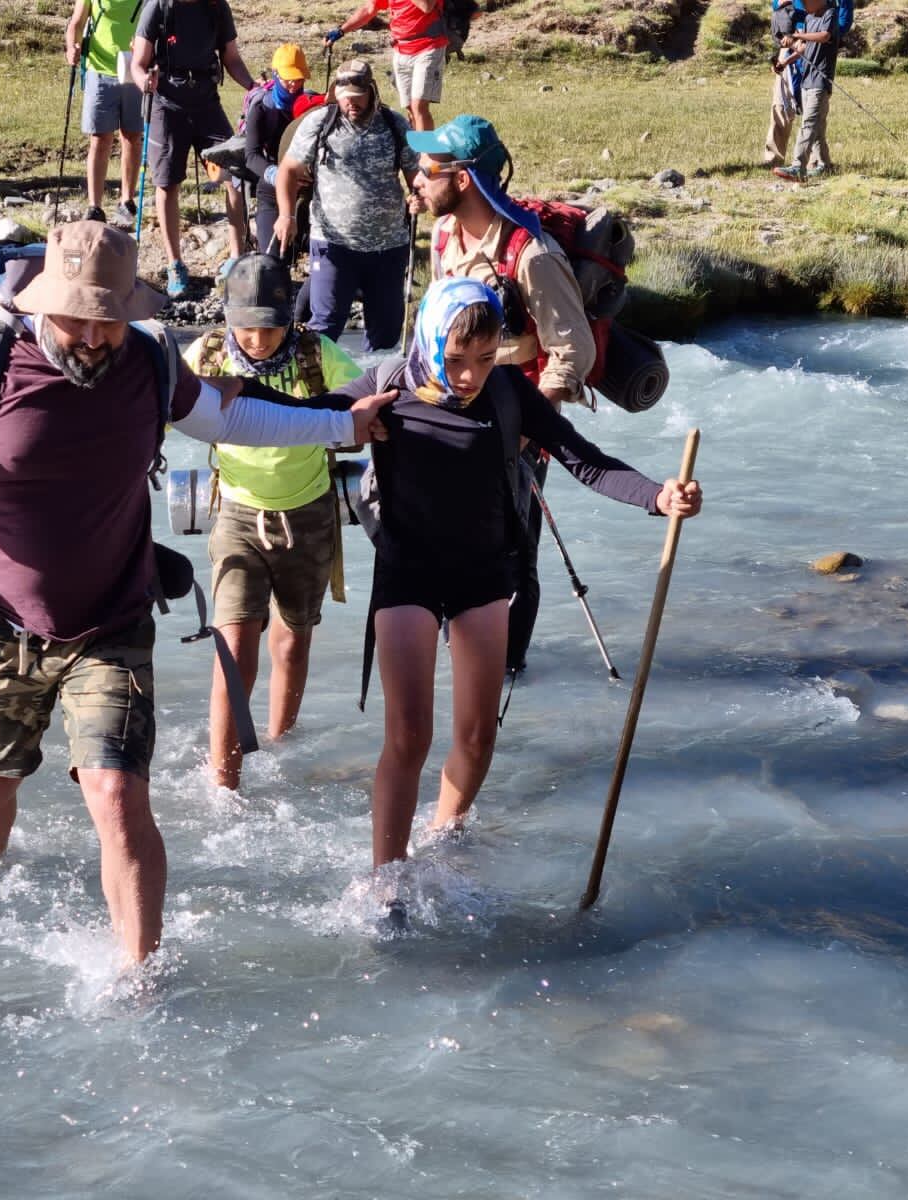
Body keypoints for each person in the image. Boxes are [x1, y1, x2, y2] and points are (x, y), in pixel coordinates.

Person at [0, 221, 396, 964]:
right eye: (81, 319)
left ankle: (140, 982)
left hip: (112, 618)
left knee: (116, 795)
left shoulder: (147, 359)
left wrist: (340, 424)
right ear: (46, 305)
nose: (96, 336)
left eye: (111, 320)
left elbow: (230, 414)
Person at [330, 277, 701, 886]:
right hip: (407, 574)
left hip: (484, 574)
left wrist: (658, 496)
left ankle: (445, 835)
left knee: (476, 737)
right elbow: (299, 416)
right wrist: (220, 398)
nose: (471, 375)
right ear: (427, 339)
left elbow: (584, 458)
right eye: (455, 360)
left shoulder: (507, 393)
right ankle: (387, 884)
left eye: (485, 357)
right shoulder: (385, 388)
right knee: (410, 736)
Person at [408, 113, 597, 676]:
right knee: (447, 538)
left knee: (513, 549)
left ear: (463, 179)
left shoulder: (531, 255)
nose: (416, 179)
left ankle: (505, 670)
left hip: (515, 422)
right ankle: (459, 653)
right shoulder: (443, 233)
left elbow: (574, 349)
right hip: (450, 411)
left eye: (426, 169)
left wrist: (532, 419)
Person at [183, 253, 364, 790]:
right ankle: (224, 782)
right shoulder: (206, 355)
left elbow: (366, 409)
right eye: (246, 326)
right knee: (233, 649)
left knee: (292, 642)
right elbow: (156, 406)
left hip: (309, 513)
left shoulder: (319, 354)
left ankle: (280, 744)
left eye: (270, 326)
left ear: (289, 318)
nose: (258, 339)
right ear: (226, 318)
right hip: (237, 512)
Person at [273, 59, 418, 352]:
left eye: (357, 98)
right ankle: (314, 392)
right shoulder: (319, 123)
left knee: (386, 332)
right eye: (344, 98)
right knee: (324, 327)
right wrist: (286, 215)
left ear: (371, 92)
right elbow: (287, 171)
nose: (351, 104)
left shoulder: (394, 125)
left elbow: (417, 176)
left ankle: (374, 391)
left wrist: (420, 197)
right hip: (333, 244)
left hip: (388, 247)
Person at [130, 0, 254, 298]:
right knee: (167, 182)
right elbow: (138, 62)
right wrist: (143, 81)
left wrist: (254, 87)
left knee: (234, 174)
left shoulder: (216, 7)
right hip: (166, 104)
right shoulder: (159, 7)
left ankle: (237, 260)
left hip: (206, 102)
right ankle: (175, 265)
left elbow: (231, 58)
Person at [63, 0, 143, 227]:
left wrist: (146, 46)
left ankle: (127, 201)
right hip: (99, 70)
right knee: (99, 138)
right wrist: (72, 47)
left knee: (132, 136)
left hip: (134, 69)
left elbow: (155, 24)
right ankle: (94, 206)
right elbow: (76, 23)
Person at [243, 43, 321, 256]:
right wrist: (278, 176)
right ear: (275, 74)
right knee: (274, 257)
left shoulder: (314, 106)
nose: (294, 84)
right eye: (288, 78)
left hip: (308, 189)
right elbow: (251, 156)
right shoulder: (261, 107)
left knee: (315, 248)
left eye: (298, 78)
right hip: (271, 187)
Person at [324, 0, 448, 132]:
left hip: (428, 46)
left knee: (419, 107)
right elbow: (369, 9)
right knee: (410, 108)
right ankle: (416, 150)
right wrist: (341, 31)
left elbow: (427, 6)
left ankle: (427, 151)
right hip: (401, 49)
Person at [773, 0, 835, 182]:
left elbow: (824, 36)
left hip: (821, 81)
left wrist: (800, 35)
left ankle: (798, 167)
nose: (804, 5)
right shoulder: (808, 17)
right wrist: (784, 62)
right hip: (807, 80)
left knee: (808, 125)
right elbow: (802, 47)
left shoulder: (830, 13)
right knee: (818, 129)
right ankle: (825, 166)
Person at [763, 0, 801, 169]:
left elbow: (843, 18)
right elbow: (777, 5)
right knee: (780, 105)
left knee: (813, 108)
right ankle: (773, 159)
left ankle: (815, 161)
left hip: (817, 44)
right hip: (788, 43)